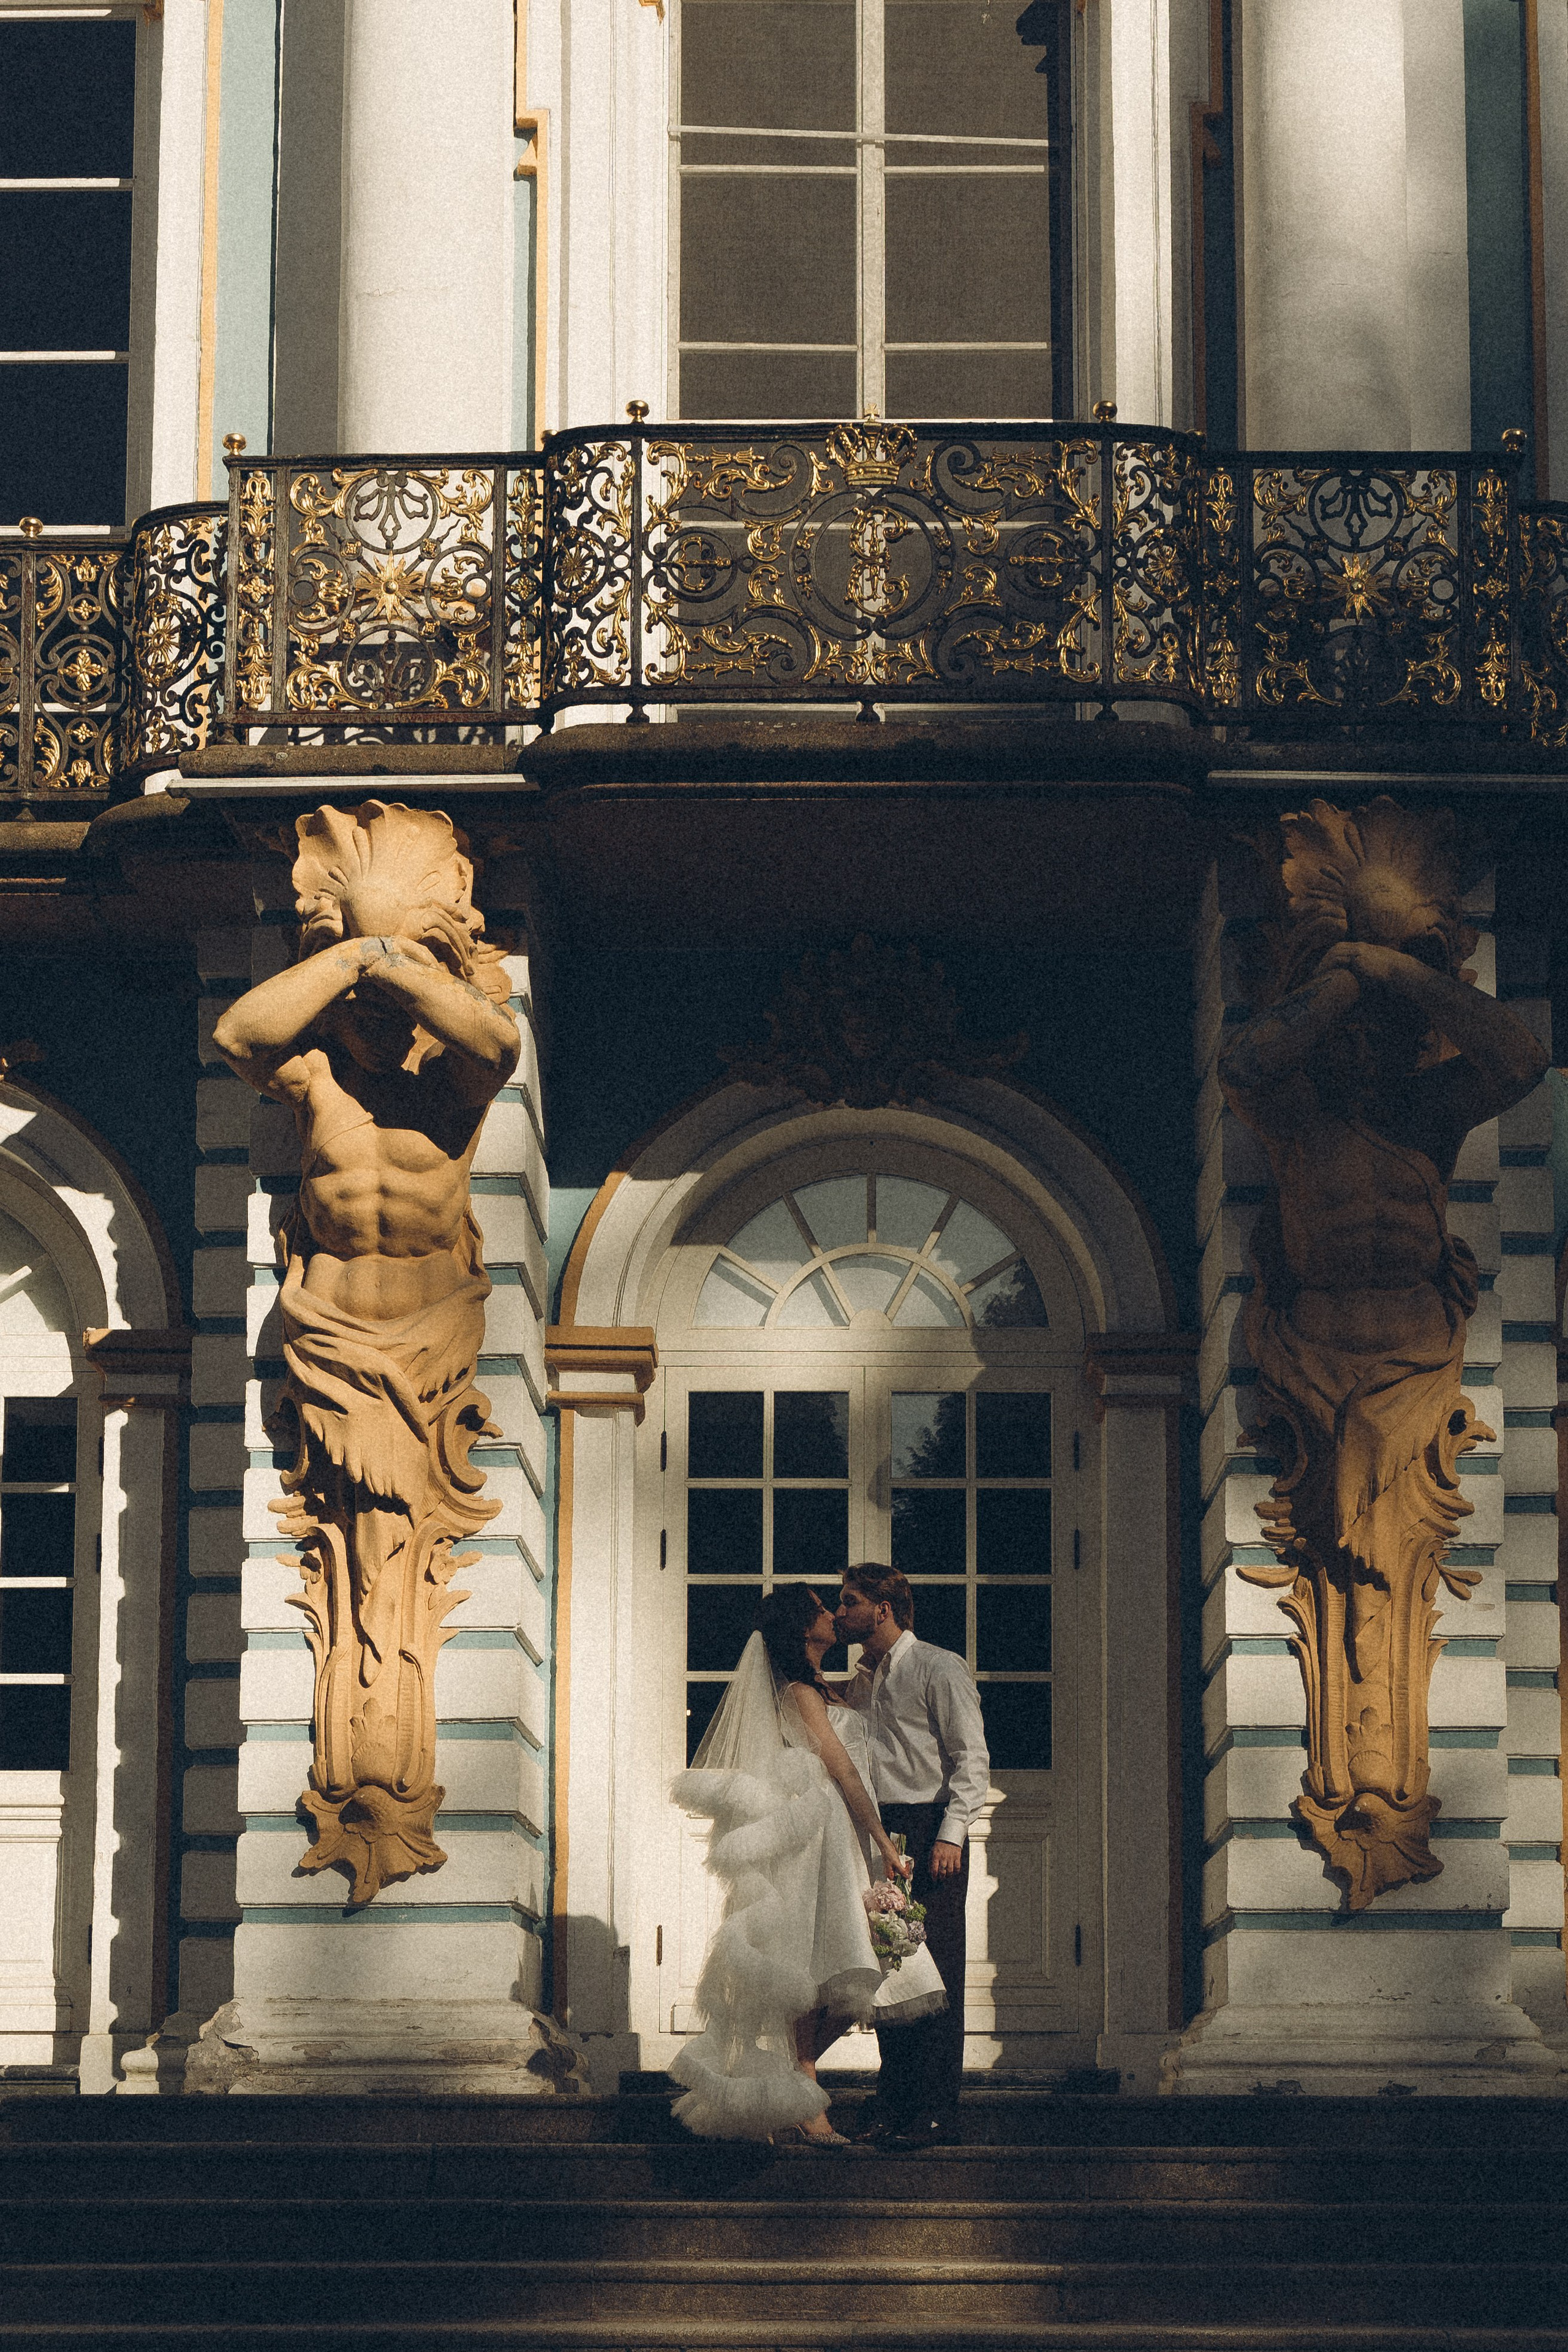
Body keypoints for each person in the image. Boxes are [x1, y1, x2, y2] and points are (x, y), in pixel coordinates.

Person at [669, 1584, 946, 2144]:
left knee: (862, 1966)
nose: (832, 1616)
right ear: (802, 1629)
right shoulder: (798, 1690)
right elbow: (843, 1771)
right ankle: (801, 2092)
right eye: (823, 1608)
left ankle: (782, 2085)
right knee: (821, 1966)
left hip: (842, 1839)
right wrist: (887, 1845)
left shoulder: (824, 1687)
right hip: (821, 1837)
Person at [837, 1566, 990, 2147]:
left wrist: (952, 1833)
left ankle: (935, 2110)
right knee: (892, 1971)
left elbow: (971, 1759)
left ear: (883, 1608)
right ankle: (893, 2102)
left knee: (939, 1971)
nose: (841, 1613)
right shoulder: (862, 1682)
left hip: (932, 1829)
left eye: (850, 1602)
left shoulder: (938, 1666)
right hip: (884, 1832)